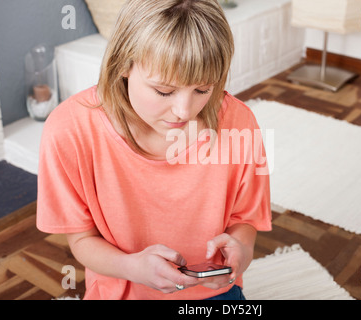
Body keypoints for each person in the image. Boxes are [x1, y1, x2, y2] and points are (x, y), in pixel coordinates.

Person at [36, 0, 271, 300]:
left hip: (214, 294)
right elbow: (82, 239)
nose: (184, 111)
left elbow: (244, 220)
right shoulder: (70, 129)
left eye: (202, 89)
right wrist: (132, 267)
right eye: (164, 91)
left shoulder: (239, 122)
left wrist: (243, 251)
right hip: (121, 291)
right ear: (123, 64)